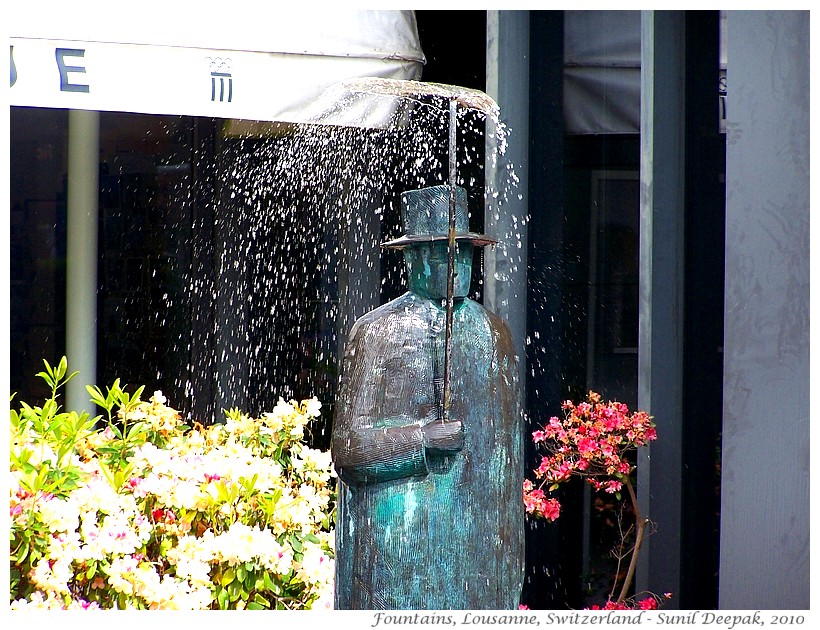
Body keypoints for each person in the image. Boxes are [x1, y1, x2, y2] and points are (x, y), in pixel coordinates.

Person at [331, 184, 524, 610]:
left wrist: (509, 562)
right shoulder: (377, 332)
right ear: (413, 258)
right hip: (395, 557)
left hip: (476, 561)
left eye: (465, 255)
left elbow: (507, 468)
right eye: (442, 254)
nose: (456, 267)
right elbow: (348, 451)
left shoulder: (495, 336)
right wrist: (420, 439)